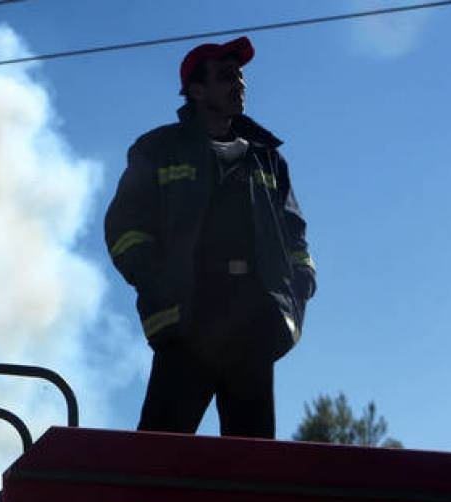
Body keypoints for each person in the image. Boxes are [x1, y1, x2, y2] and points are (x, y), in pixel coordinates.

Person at [104, 36, 316, 438]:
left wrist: (301, 283)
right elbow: (123, 227)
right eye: (226, 76)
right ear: (197, 91)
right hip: (187, 323)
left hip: (253, 324)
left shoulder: (267, 157)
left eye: (241, 76)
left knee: (251, 461)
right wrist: (157, 279)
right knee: (158, 453)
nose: (240, 84)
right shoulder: (158, 149)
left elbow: (294, 233)